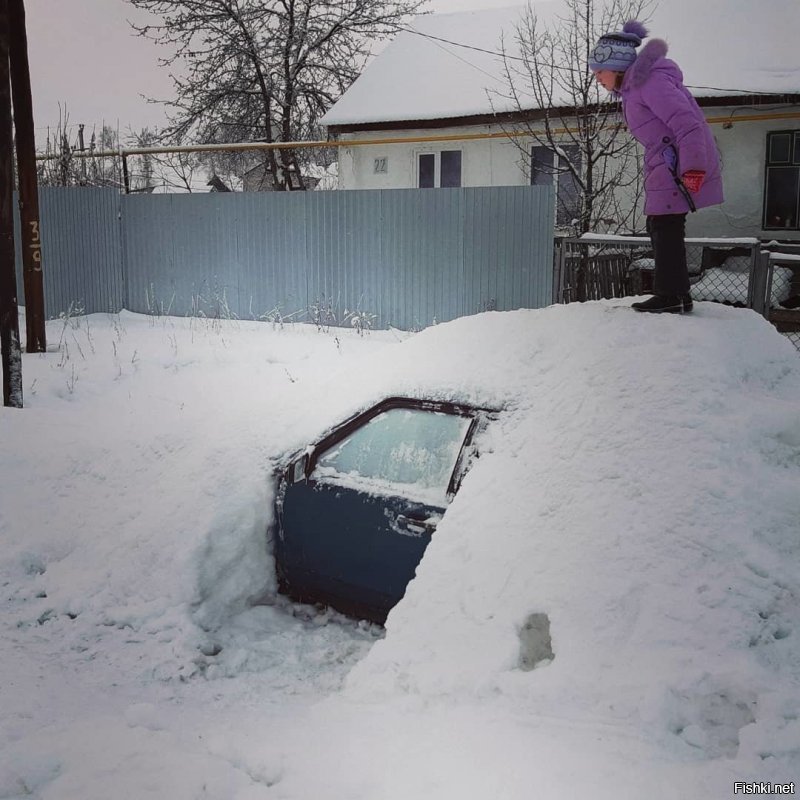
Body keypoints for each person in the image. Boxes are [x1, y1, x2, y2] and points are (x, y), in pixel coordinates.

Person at [589, 20, 724, 313]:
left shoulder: (649, 82)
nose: (597, 78)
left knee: (665, 224)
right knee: (661, 223)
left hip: (677, 162)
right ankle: (677, 294)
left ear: (617, 65)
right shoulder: (635, 89)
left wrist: (693, 169)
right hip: (666, 161)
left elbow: (687, 123)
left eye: (599, 71)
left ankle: (670, 296)